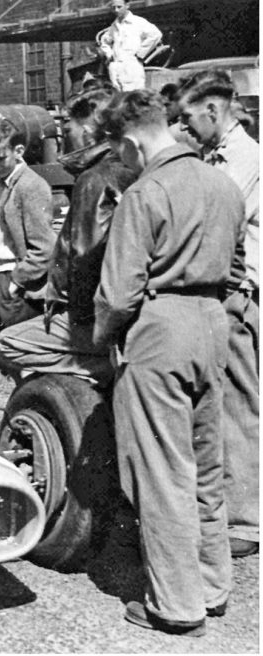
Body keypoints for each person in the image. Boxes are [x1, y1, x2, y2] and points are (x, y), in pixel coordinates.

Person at [94, 88, 244, 636]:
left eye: (118, 151)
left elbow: (117, 294)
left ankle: (177, 606)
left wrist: (105, 338)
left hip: (160, 330)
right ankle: (211, 587)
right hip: (213, 325)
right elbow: (239, 265)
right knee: (207, 467)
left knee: (162, 471)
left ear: (131, 142)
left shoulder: (145, 192)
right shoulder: (221, 184)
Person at [0, 83, 136, 388]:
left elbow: (84, 256)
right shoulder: (126, 168)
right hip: (120, 311)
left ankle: (110, 370)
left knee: (8, 343)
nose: (63, 138)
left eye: (68, 127)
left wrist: (74, 314)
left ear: (88, 130)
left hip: (93, 319)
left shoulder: (94, 179)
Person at [177, 69, 260, 559]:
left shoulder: (245, 158)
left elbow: (215, 218)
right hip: (223, 291)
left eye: (190, 117)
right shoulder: (217, 155)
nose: (186, 127)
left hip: (242, 293)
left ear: (213, 110)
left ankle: (248, 520)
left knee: (240, 404)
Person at [0, 117, 56, 372]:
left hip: (17, 284)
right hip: (1, 278)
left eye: (0, 158)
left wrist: (16, 282)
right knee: (4, 362)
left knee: (21, 363)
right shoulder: (3, 185)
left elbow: (44, 248)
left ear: (18, 151)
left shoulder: (30, 186)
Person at [98, 0, 162, 91]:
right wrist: (109, 54)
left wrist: (140, 54)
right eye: (113, 7)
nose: (116, 10)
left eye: (119, 7)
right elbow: (104, 41)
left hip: (131, 65)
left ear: (127, 5)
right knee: (118, 99)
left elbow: (156, 35)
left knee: (133, 96)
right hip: (116, 66)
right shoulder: (114, 25)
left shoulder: (138, 22)